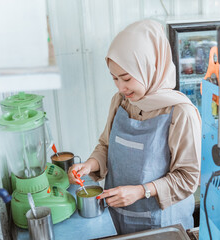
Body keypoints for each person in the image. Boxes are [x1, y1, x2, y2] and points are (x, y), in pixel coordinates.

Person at [68, 19, 201, 235]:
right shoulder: (120, 102)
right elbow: (106, 145)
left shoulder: (180, 112)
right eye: (114, 78)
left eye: (127, 78)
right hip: (118, 218)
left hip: (163, 225)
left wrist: (142, 192)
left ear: (150, 68)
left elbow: (187, 178)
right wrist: (89, 165)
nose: (121, 87)